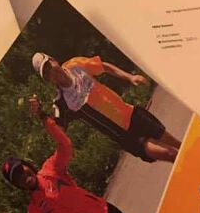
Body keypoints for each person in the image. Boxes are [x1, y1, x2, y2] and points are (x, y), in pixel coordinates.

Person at [2, 97, 147, 213]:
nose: (22, 177)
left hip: (107, 212)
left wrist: (43, 117)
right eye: (17, 178)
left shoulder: (50, 170)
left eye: (21, 170)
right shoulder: (36, 211)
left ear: (27, 165)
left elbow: (65, 144)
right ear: (17, 185)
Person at [31, 52, 180, 163]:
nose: (52, 72)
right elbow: (59, 132)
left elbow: (104, 67)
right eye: (47, 74)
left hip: (133, 115)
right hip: (125, 135)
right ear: (48, 80)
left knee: (179, 146)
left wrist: (130, 77)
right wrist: (41, 115)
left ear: (54, 60)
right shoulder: (61, 102)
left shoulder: (75, 65)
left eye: (49, 66)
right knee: (171, 154)